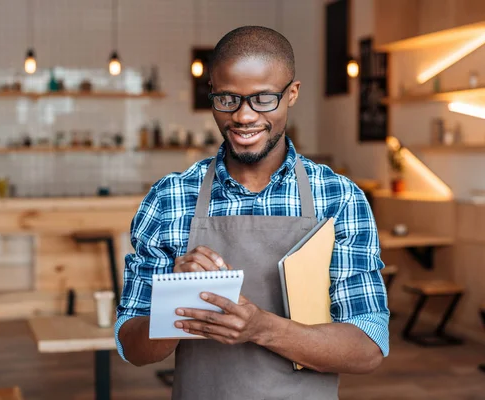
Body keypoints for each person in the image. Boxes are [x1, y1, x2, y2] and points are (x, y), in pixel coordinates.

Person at [115, 26, 389, 399]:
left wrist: (261, 328)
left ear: (291, 94)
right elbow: (133, 348)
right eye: (227, 99)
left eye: (263, 99)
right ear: (211, 93)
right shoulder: (170, 198)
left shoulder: (338, 199)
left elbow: (368, 347)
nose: (243, 117)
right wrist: (172, 303)